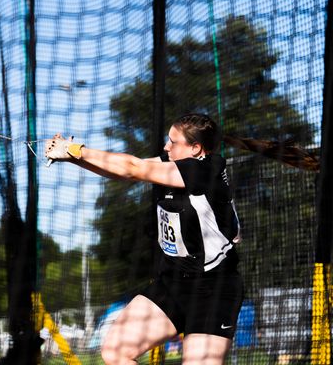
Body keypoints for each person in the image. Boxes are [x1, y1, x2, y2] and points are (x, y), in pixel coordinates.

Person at [45, 113, 243, 365]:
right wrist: (72, 157)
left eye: (173, 142)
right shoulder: (171, 162)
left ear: (195, 148)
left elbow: (133, 167)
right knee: (115, 352)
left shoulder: (204, 170)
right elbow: (125, 171)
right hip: (171, 284)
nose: (166, 146)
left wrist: (75, 148)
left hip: (213, 289)